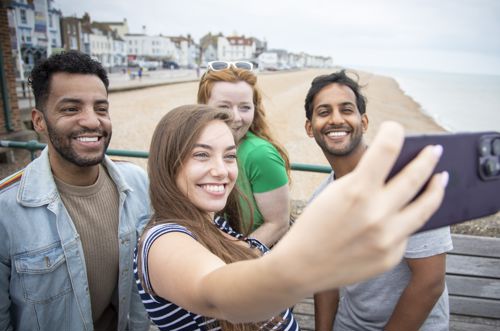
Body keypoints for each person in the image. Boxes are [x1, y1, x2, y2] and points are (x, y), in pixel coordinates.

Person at [134, 103, 449, 331]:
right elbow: (216, 295)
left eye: (229, 156)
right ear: (168, 163)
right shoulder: (163, 239)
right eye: (201, 154)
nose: (222, 170)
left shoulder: (211, 221)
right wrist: (312, 259)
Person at [0, 51, 150, 331]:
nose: (92, 121)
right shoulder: (6, 211)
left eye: (101, 108)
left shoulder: (138, 184)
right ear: (39, 120)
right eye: (71, 109)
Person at [304, 70, 453, 331]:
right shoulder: (320, 203)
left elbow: (429, 282)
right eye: (324, 112)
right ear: (309, 127)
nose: (336, 119)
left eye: (346, 110)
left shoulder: (409, 182)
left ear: (364, 121)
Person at [197, 61, 290, 247]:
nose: (236, 117)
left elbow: (278, 224)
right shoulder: (193, 146)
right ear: (202, 106)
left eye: (245, 107)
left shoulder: (260, 155)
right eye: (224, 107)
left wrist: (236, 259)